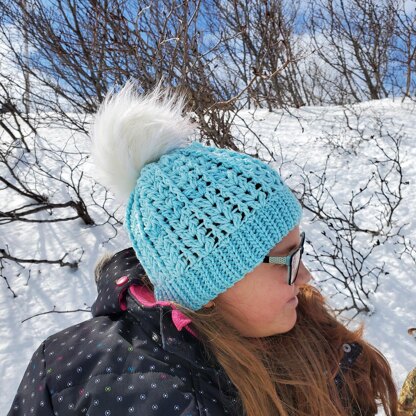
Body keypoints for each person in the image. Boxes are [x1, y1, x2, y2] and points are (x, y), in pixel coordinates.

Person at [8, 81, 400, 416]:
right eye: (286, 259)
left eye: (300, 251)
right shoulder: (74, 375)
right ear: (207, 286)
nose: (306, 275)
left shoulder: (323, 346)